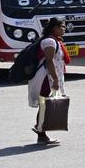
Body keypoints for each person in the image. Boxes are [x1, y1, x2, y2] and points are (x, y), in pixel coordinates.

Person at [28, 18, 69, 146]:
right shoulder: (49, 42)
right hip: (45, 79)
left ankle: (41, 130)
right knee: (45, 105)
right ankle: (41, 133)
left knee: (45, 105)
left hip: (49, 77)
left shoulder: (54, 40)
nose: (64, 29)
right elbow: (49, 61)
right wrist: (55, 80)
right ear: (54, 28)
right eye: (62, 26)